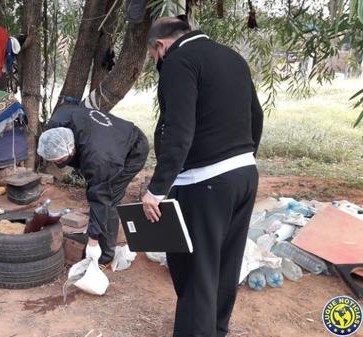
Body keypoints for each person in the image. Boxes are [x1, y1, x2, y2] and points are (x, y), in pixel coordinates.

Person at [141, 17, 264, 337]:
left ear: (161, 46)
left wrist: (157, 189)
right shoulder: (232, 57)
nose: (155, 62)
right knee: (225, 265)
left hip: (204, 183)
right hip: (243, 176)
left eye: (153, 56)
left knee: (196, 273)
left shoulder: (179, 61)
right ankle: (216, 330)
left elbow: (179, 131)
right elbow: (256, 115)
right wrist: (243, 160)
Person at [37, 104, 149, 268]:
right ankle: (98, 221)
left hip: (133, 148)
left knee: (110, 199)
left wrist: (92, 242)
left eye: (60, 161)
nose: (56, 163)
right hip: (109, 138)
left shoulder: (99, 160)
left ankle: (105, 255)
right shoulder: (56, 126)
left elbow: (101, 196)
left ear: (72, 148)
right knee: (97, 189)